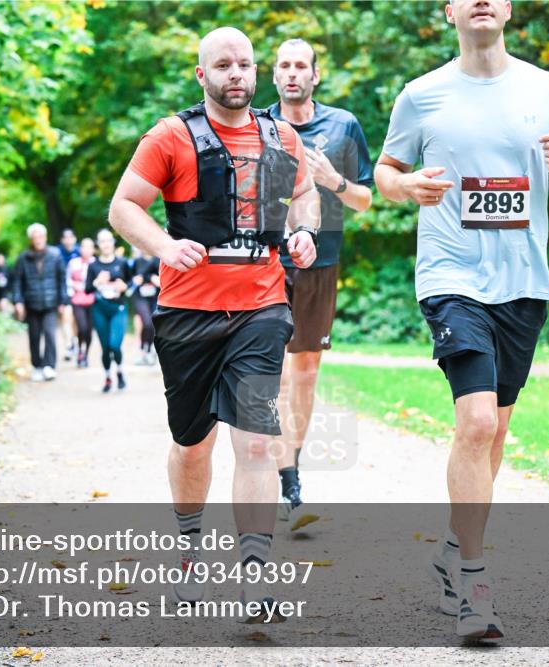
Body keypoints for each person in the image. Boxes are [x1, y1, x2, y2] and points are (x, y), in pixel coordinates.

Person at [375, 0, 549, 643]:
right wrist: (406, 185)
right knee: (473, 422)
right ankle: (474, 583)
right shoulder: (423, 95)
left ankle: (451, 546)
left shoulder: (546, 88)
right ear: (448, 12)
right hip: (451, 279)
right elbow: (385, 173)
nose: (481, 1)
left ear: (509, 9)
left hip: (523, 283)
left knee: (493, 430)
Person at [108, 27, 319, 618]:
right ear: (202, 75)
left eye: (245, 65)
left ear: (256, 74)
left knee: (255, 442)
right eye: (222, 65)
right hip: (186, 313)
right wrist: (163, 246)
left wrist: (301, 233)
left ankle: (255, 576)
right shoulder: (171, 136)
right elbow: (125, 205)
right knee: (193, 444)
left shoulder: (281, 137)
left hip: (261, 306)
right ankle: (188, 550)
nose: (236, 74)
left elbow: (304, 197)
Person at [268, 38, 374, 524]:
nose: (293, 73)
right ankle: (280, 475)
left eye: (301, 66)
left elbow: (365, 201)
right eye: (284, 66)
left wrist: (334, 180)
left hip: (321, 260)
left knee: (306, 371)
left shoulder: (343, 125)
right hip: (265, 260)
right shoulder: (256, 124)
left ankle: (291, 470)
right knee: (275, 371)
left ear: (315, 75)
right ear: (274, 76)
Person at [11, 223, 70, 382]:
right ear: (31, 239)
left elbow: (62, 279)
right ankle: (37, 366)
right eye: (34, 237)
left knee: (50, 334)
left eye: (40, 236)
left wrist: (63, 301)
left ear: (45, 237)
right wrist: (18, 301)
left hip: (51, 303)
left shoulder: (55, 254)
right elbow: (17, 281)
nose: (38, 240)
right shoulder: (23, 257)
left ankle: (49, 366)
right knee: (34, 336)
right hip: (31, 303)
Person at [84, 229, 132, 392]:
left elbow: (131, 284)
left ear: (113, 242)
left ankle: (119, 371)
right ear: (98, 244)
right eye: (102, 241)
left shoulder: (122, 262)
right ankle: (107, 377)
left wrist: (124, 286)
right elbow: (87, 289)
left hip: (118, 308)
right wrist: (97, 282)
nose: (106, 244)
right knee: (105, 347)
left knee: (115, 345)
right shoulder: (93, 265)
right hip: (100, 309)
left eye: (108, 240)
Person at [66, 237, 97, 368]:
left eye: (90, 247)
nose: (87, 250)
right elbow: (67, 279)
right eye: (84, 247)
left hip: (92, 300)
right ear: (80, 249)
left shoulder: (96, 263)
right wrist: (73, 288)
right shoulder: (73, 263)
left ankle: (85, 355)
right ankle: (79, 349)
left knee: (89, 331)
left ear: (93, 249)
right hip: (77, 299)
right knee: (82, 327)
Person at [130, 249, 161, 365]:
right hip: (140, 297)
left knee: (154, 323)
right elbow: (130, 277)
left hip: (155, 296)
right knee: (147, 323)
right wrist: (135, 280)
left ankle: (148, 350)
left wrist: (157, 280)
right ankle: (144, 349)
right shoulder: (137, 261)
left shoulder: (159, 260)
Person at [58, 228, 81, 362]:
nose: (68, 240)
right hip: (64, 290)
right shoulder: (57, 253)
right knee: (66, 318)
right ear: (62, 240)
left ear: (74, 239)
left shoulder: (80, 252)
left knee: (76, 320)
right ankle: (68, 345)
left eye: (70, 237)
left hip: (78, 291)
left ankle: (75, 343)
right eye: (65, 238)